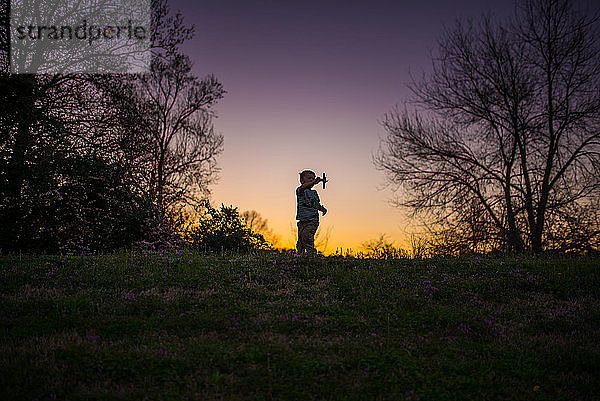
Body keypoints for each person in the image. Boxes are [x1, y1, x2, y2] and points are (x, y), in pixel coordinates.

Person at [295, 170, 327, 254]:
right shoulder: (300, 190)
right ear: (302, 180)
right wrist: (314, 181)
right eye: (309, 178)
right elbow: (303, 187)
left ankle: (311, 255)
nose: (311, 180)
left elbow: (316, 204)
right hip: (302, 221)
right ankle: (300, 257)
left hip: (312, 221)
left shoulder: (314, 193)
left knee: (307, 236)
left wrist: (322, 208)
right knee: (300, 242)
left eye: (313, 178)